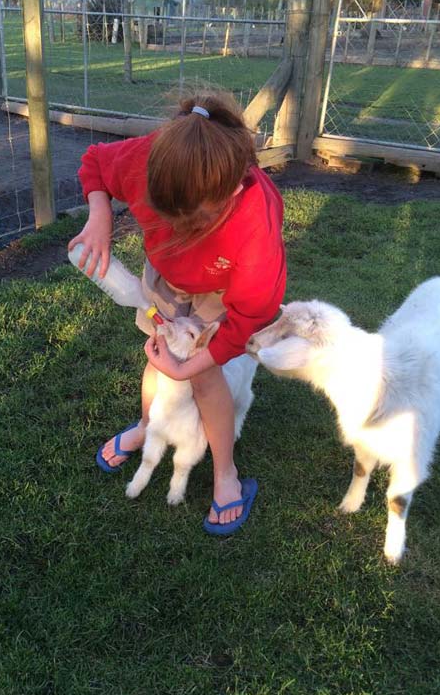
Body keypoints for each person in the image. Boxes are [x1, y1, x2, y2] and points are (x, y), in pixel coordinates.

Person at [68, 89, 286, 535]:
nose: (181, 232)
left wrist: (193, 366)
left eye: (197, 223)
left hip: (220, 290)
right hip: (164, 280)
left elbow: (250, 316)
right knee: (156, 351)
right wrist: (100, 216)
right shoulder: (150, 158)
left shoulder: (255, 220)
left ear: (235, 188)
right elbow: (95, 163)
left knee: (203, 375)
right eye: (168, 217)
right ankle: (149, 426)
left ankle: (226, 476)